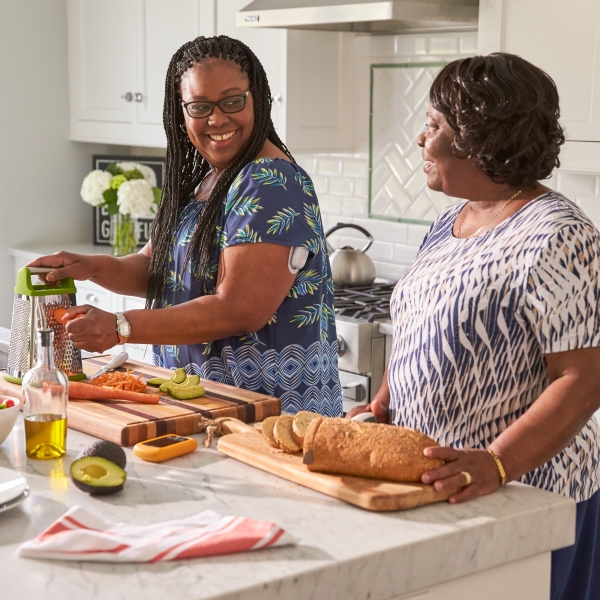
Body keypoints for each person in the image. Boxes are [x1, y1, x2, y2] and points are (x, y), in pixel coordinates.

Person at [347, 53, 600, 600]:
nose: (420, 138)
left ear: (480, 138)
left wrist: (496, 462)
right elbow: (415, 323)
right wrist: (385, 403)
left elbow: (583, 378)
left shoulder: (559, 236)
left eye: (435, 125)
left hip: (532, 497)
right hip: (449, 489)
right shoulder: (449, 220)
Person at [30, 36, 342, 417]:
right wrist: (91, 267)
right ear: (182, 113)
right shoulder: (207, 181)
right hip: (213, 407)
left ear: (257, 99)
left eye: (232, 101)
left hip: (266, 416)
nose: (217, 118)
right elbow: (156, 269)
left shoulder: (269, 180)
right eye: (199, 106)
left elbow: (239, 309)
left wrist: (121, 327)